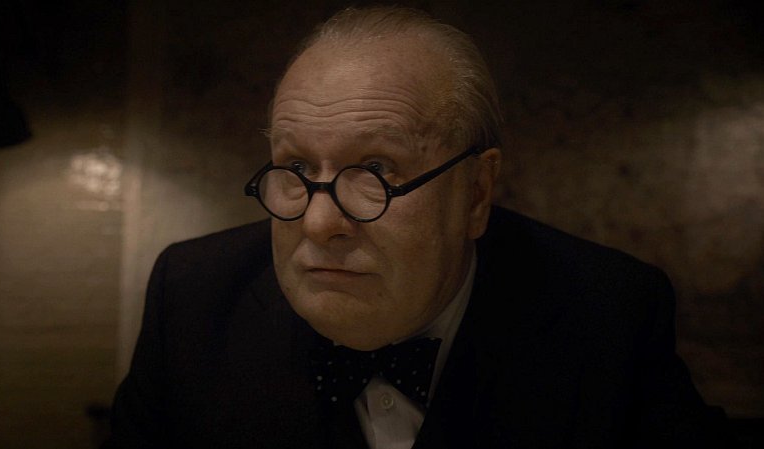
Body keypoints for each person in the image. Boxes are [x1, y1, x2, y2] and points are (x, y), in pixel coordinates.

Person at [105, 6, 731, 449]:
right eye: (295, 168)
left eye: (376, 169)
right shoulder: (192, 298)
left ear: (476, 194)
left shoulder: (607, 315)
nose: (319, 223)